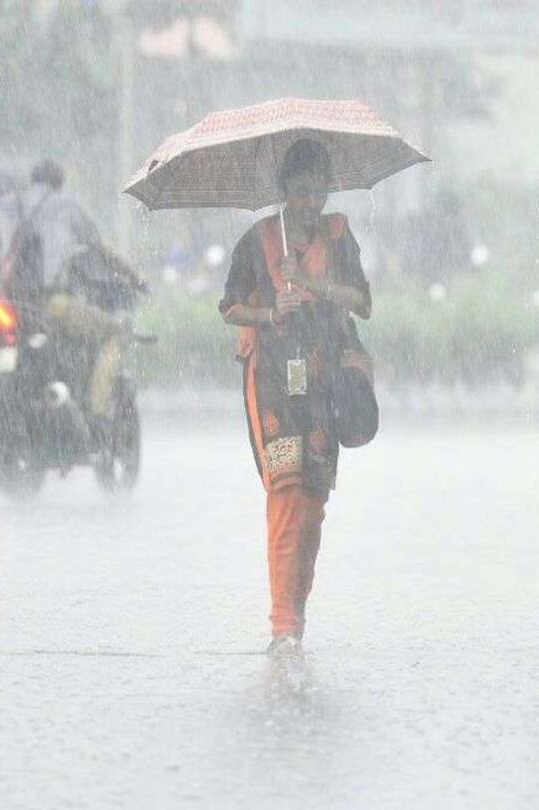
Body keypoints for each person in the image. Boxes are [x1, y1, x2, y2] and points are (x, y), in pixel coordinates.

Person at [219, 140, 372, 657]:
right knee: (286, 494)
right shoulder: (258, 242)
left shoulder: (339, 237)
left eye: (319, 192)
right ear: (284, 191)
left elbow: (363, 302)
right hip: (275, 386)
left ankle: (296, 616)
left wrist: (309, 282)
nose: (311, 203)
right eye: (301, 192)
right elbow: (229, 308)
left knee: (314, 501)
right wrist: (271, 312)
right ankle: (282, 624)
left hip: (324, 380)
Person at [0, 160, 138, 429]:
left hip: (12, 307)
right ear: (59, 182)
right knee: (116, 333)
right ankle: (98, 415)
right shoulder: (66, 206)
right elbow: (101, 250)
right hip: (52, 304)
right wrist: (135, 278)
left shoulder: (8, 206)